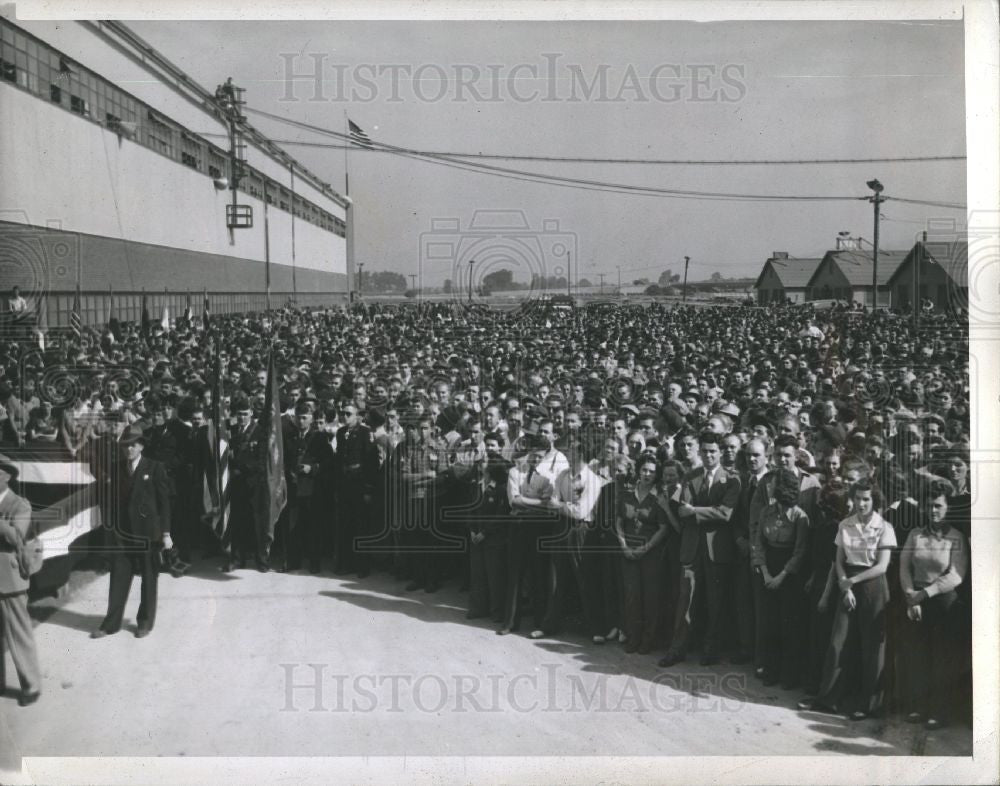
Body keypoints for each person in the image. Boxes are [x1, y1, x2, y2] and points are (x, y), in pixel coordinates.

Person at [798, 480, 896, 720]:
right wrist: (845, 585)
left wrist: (852, 582)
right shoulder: (845, 525)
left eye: (867, 499)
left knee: (872, 647)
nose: (861, 504)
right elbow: (839, 561)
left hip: (872, 585)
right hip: (848, 584)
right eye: (859, 498)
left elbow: (882, 567)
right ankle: (828, 699)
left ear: (874, 501)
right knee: (838, 642)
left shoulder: (884, 528)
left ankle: (868, 705)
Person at [660, 430, 741, 667]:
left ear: (720, 453)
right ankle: (677, 649)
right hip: (692, 546)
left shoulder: (732, 479)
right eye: (704, 451)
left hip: (717, 548)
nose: (708, 455)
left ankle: (711, 649)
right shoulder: (690, 477)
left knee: (715, 601)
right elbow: (682, 509)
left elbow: (725, 513)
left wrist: (696, 511)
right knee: (685, 600)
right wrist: (702, 511)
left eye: (713, 451)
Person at [898, 482, 969, 729]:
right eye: (929, 505)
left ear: (948, 508)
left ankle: (939, 712)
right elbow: (904, 566)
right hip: (916, 600)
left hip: (943, 603)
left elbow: (956, 575)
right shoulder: (915, 534)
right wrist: (910, 595)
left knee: (941, 659)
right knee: (918, 656)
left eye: (938, 505)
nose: (933, 510)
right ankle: (918, 706)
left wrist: (924, 594)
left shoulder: (955, 537)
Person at [91, 424, 172, 639]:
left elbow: (164, 504)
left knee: (148, 578)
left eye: (134, 445)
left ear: (142, 446)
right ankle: (111, 624)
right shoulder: (116, 468)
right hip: (122, 534)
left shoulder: (155, 468)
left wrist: (166, 533)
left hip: (148, 534)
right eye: (126, 445)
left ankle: (144, 622)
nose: (129, 449)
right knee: (118, 576)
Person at [751, 467, 809, 688]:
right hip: (768, 568)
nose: (770, 487)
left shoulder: (800, 517)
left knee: (789, 625)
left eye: (774, 484)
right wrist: (765, 573)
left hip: (789, 574)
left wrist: (781, 576)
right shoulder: (766, 511)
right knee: (769, 623)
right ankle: (771, 669)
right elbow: (759, 543)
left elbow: (800, 551)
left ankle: (789, 674)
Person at [615, 454, 669, 654]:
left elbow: (663, 528)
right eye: (644, 470)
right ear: (638, 470)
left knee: (650, 597)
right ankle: (633, 637)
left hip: (650, 554)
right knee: (632, 596)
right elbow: (619, 522)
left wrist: (645, 549)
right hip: (628, 552)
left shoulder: (658, 498)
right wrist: (624, 546)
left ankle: (648, 639)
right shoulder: (627, 493)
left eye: (652, 472)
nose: (647, 474)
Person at [0, 458, 42, 706]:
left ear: (5, 476)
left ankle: (31, 685)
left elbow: (17, 536)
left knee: (18, 633)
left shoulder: (19, 504)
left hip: (10, 578)